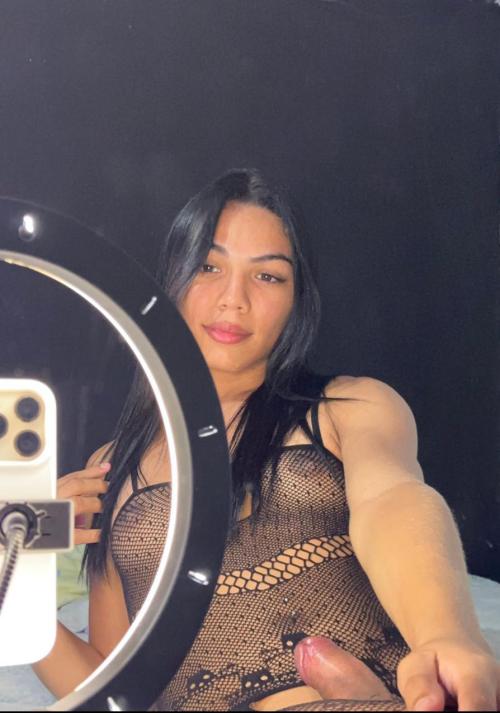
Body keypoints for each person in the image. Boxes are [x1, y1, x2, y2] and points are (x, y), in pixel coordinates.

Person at [34, 169, 499, 711]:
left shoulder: (349, 407)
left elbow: (392, 500)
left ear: (297, 301)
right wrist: (14, 572)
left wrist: (446, 635)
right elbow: (113, 682)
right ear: (170, 280)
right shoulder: (113, 468)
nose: (234, 299)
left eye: (268, 276)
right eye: (209, 266)